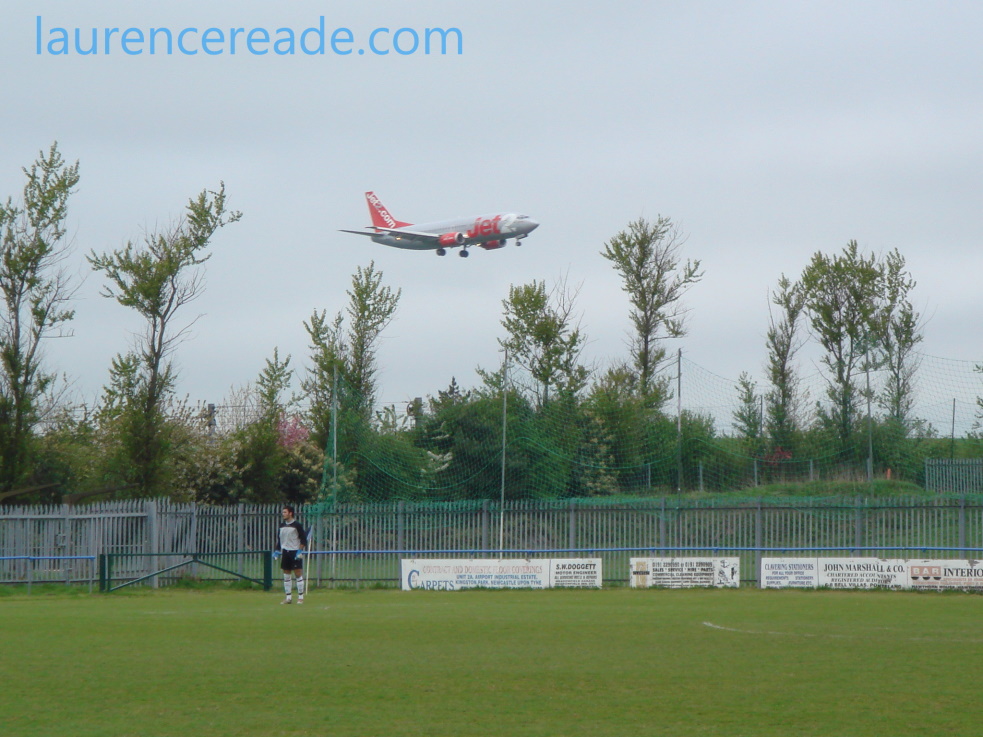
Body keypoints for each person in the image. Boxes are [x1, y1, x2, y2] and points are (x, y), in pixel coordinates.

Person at [275, 505, 308, 604]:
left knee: (298, 574)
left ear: (290, 513)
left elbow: (303, 539)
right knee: (286, 575)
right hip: (285, 552)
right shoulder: (281, 526)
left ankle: (300, 597)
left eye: (285, 512)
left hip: (295, 552)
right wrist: (277, 550)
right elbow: (279, 540)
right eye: (283, 512)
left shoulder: (297, 525)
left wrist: (299, 551)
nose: (283, 514)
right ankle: (288, 598)